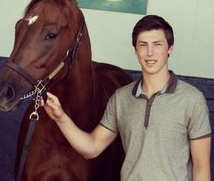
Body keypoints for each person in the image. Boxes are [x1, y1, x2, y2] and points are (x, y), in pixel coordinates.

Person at [41, 15, 212, 181]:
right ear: (136, 50)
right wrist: (60, 117)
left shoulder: (192, 99)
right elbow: (91, 147)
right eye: (143, 45)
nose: (150, 52)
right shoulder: (121, 98)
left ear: (170, 48)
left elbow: (201, 166)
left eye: (157, 44)